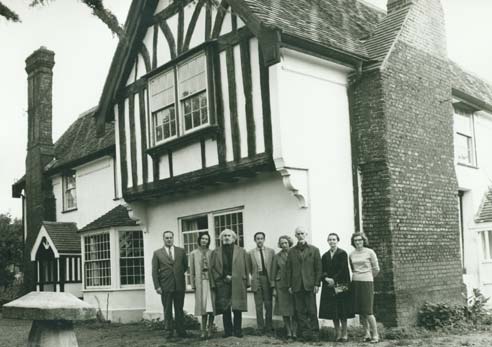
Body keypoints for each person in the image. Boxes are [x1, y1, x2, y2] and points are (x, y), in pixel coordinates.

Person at [210, 229, 250, 338]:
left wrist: (247, 282)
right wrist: (223, 277)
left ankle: (238, 331)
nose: (227, 237)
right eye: (224, 236)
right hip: (222, 282)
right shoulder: (216, 252)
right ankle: (228, 332)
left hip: (238, 282)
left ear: (233, 238)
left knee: (237, 308)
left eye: (229, 236)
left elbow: (247, 267)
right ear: (221, 238)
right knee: (225, 308)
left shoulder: (242, 251)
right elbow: (212, 268)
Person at [286, 226, 322, 341]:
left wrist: (317, 284)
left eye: (302, 233)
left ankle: (315, 334)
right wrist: (290, 285)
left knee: (312, 310)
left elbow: (318, 269)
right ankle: (305, 334)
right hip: (296, 285)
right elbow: (288, 269)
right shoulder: (291, 251)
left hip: (310, 285)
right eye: (298, 234)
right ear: (295, 236)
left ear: (306, 235)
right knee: (300, 311)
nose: (300, 235)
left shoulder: (314, 250)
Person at [151, 230, 188, 338]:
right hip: (165, 285)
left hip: (179, 285)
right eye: (166, 238)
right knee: (167, 309)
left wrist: (177, 275)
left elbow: (185, 266)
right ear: (163, 239)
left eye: (170, 237)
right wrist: (157, 286)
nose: (169, 240)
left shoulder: (181, 251)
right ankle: (169, 331)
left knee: (179, 308)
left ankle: (181, 331)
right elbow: (154, 271)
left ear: (173, 238)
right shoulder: (157, 253)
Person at [319, 233, 354, 342]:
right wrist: (325, 278)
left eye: (334, 239)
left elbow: (343, 269)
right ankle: (337, 333)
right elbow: (322, 270)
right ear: (327, 241)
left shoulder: (342, 253)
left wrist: (334, 279)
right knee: (334, 311)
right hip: (329, 286)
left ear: (337, 241)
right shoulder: (325, 255)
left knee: (342, 311)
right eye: (330, 240)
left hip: (340, 285)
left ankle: (344, 334)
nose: (332, 241)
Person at [349, 232, 380, 344]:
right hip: (356, 282)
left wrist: (368, 276)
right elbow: (353, 268)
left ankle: (375, 334)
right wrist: (358, 276)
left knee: (368, 310)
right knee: (361, 311)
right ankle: (366, 333)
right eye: (356, 240)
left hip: (367, 282)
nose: (358, 242)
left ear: (364, 241)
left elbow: (376, 269)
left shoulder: (370, 252)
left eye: (360, 240)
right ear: (353, 242)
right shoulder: (351, 254)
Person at [189, 232, 215, 339]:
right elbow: (192, 271)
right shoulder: (193, 253)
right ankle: (203, 331)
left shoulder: (212, 253)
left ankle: (210, 330)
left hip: (211, 283)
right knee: (203, 307)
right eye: (202, 239)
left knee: (211, 307)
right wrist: (193, 284)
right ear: (199, 240)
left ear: (209, 241)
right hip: (201, 283)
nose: (204, 241)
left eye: (206, 239)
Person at [248, 232, 275, 334]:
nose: (260, 240)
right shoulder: (250, 253)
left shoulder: (271, 252)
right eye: (257, 238)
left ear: (264, 239)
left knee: (268, 304)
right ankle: (260, 327)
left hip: (267, 279)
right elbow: (249, 268)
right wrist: (254, 277)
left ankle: (269, 326)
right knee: (258, 305)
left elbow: (273, 267)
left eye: (261, 238)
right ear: (255, 240)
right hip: (257, 278)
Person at [271, 235, 297, 339]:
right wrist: (273, 288)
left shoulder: (295, 254)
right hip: (281, 286)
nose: (284, 245)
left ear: (289, 243)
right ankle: (288, 332)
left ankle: (295, 332)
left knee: (294, 309)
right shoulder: (277, 256)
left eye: (286, 243)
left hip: (293, 285)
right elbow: (273, 272)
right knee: (284, 310)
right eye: (282, 243)